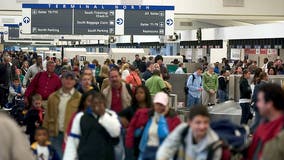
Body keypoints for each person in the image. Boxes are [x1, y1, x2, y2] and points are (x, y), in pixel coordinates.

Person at [63, 92, 121, 160]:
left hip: (106, 156)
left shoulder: (111, 115)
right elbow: (73, 141)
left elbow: (115, 133)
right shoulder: (80, 116)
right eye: (92, 102)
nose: (96, 105)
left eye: (99, 102)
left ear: (104, 102)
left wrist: (103, 115)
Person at [126, 92, 181, 160]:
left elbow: (163, 135)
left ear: (167, 106)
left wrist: (162, 117)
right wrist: (140, 130)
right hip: (147, 151)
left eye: (161, 104)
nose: (158, 107)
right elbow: (136, 133)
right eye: (157, 104)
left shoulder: (173, 120)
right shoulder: (148, 116)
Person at [156, 105, 222, 160]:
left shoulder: (214, 145)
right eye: (198, 122)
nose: (202, 127)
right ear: (189, 122)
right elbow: (166, 148)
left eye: (205, 122)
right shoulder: (183, 130)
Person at [43, 71, 81, 158]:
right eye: (66, 78)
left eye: (71, 79)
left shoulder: (79, 98)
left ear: (75, 82)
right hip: (55, 135)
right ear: (61, 80)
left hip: (72, 136)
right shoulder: (53, 97)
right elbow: (47, 117)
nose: (69, 81)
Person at [246, 84, 284, 160]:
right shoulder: (263, 125)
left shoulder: (280, 135)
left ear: (269, 104)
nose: (257, 104)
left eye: (259, 100)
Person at [119, 86, 153, 159]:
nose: (138, 95)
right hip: (134, 142)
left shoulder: (152, 109)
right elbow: (118, 115)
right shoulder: (132, 108)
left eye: (141, 92)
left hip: (148, 141)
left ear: (146, 94)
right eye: (137, 93)